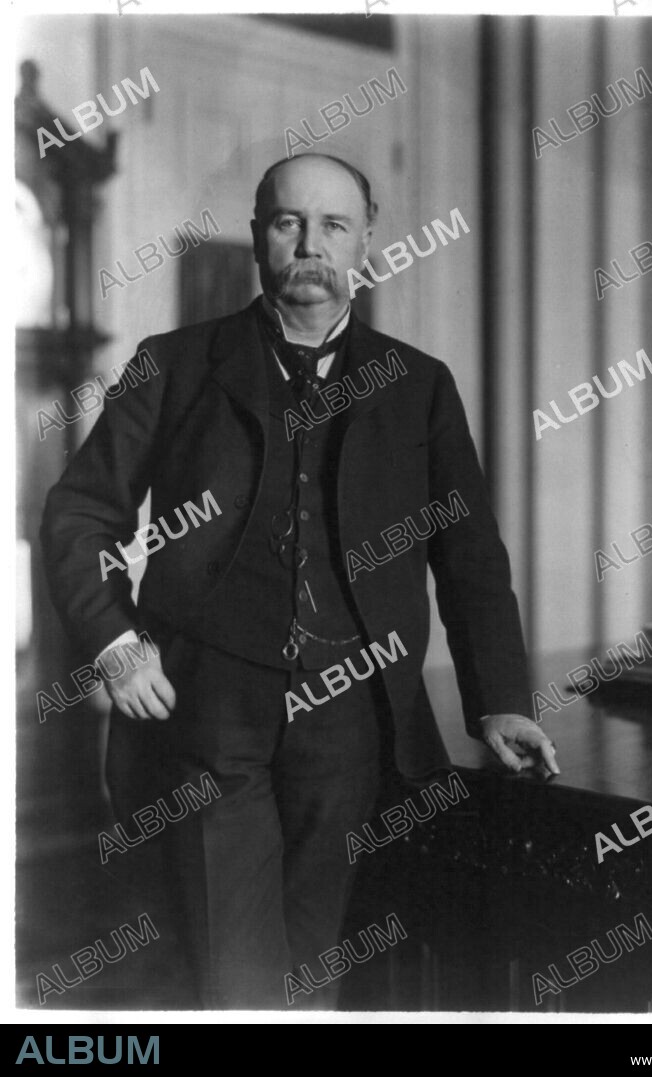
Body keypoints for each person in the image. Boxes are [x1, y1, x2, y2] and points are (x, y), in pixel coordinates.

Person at [40, 152, 559, 1009]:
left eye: (333, 226)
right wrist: (117, 643)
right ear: (257, 238)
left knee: (322, 977)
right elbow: (78, 514)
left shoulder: (420, 386)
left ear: (365, 241)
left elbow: (468, 555)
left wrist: (499, 698)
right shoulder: (172, 364)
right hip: (209, 723)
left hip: (355, 730)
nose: (309, 244)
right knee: (237, 982)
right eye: (289, 223)